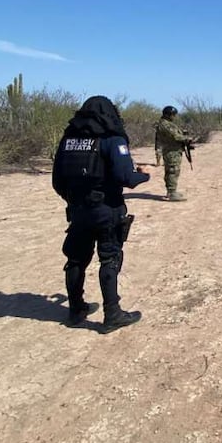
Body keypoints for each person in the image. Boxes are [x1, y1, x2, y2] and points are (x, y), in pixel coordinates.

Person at [52, 96, 150, 333]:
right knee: (110, 257)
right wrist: (144, 175)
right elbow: (126, 177)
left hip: (78, 210)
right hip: (107, 209)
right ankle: (112, 314)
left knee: (76, 259)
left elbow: (57, 181)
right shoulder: (111, 139)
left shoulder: (68, 139)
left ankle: (75, 309)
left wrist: (74, 199)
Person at [154, 105, 193, 201]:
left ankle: (172, 191)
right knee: (172, 171)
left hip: (174, 151)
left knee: (173, 171)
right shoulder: (165, 125)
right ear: (168, 115)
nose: (174, 117)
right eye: (173, 115)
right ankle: (171, 192)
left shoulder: (168, 123)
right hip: (171, 152)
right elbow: (175, 136)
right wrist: (187, 139)